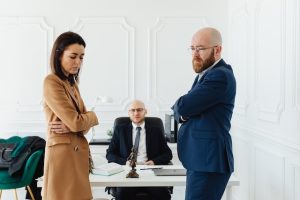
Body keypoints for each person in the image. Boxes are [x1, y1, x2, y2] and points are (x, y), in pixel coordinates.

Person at [172, 27, 236, 200]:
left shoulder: (220, 75)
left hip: (208, 162)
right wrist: (184, 110)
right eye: (192, 49)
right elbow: (183, 109)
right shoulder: (205, 74)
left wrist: (184, 111)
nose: (195, 54)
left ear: (217, 50)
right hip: (201, 160)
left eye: (200, 48)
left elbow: (182, 107)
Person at [42, 31, 99, 200]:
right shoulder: (52, 81)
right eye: (73, 56)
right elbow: (76, 123)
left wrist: (80, 123)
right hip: (62, 157)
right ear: (59, 55)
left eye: (81, 57)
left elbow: (82, 127)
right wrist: (92, 116)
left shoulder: (72, 83)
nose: (78, 62)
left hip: (75, 155)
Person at [106, 100, 172, 200]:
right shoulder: (120, 129)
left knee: (163, 195)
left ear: (145, 111)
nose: (136, 113)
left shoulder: (156, 130)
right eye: (133, 110)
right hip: (128, 173)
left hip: (149, 173)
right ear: (129, 113)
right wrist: (125, 162)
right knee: (123, 194)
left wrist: (154, 161)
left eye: (139, 110)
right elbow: (110, 154)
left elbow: (168, 154)